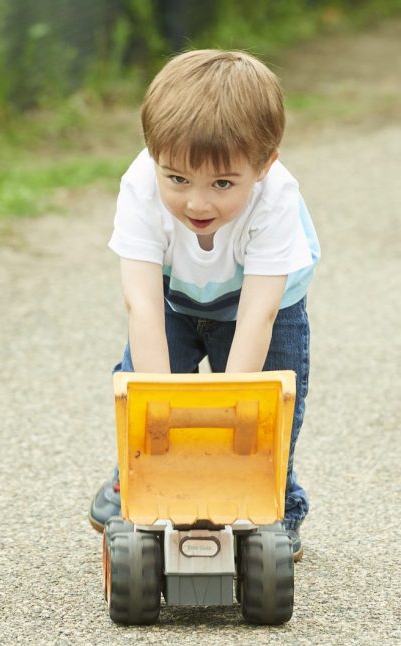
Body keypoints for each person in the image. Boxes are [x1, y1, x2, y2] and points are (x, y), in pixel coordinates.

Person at [88, 49, 320, 562]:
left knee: (269, 406)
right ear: (154, 158)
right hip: (172, 298)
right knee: (142, 385)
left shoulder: (276, 198)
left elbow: (258, 316)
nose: (197, 203)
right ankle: (136, 477)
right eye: (177, 180)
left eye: (222, 184)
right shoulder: (140, 186)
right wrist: (161, 410)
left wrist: (235, 407)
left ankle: (274, 503)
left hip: (264, 304)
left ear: (264, 165)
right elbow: (141, 305)